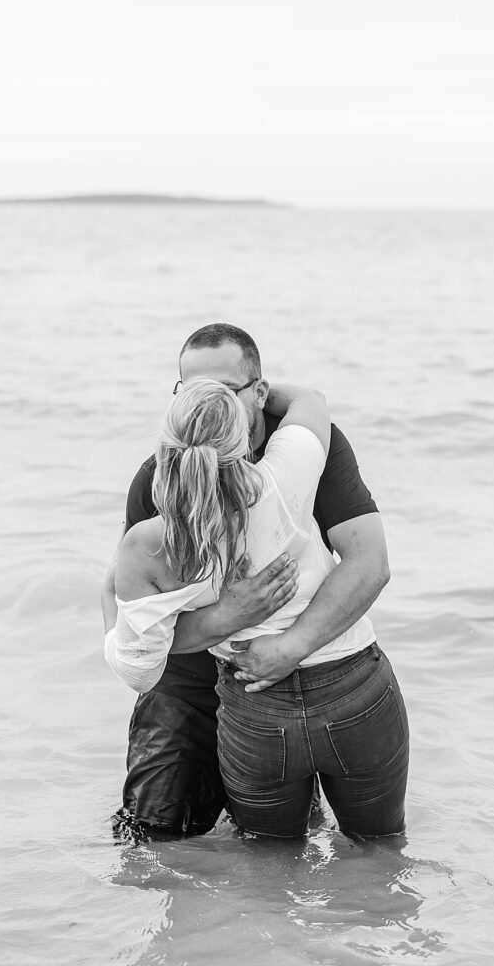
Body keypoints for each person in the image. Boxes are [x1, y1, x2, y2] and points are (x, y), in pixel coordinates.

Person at [101, 323, 394, 835]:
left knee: (281, 838)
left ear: (260, 393)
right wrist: (227, 617)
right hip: (186, 676)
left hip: (270, 676)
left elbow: (369, 563)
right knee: (153, 834)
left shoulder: (309, 452)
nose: (206, 400)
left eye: (222, 390)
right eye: (190, 390)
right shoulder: (161, 478)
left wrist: (292, 646)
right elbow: (137, 613)